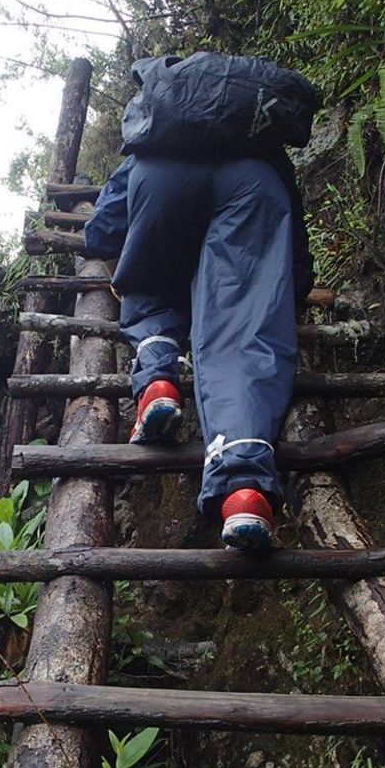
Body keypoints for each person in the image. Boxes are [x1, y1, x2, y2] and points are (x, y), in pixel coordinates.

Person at [82, 52, 317, 551]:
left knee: (145, 285)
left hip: (159, 180)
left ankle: (158, 381)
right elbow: (291, 234)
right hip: (254, 183)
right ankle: (244, 490)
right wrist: (284, 293)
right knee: (241, 332)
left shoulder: (153, 142)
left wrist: (125, 251)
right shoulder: (261, 146)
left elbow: (102, 235)